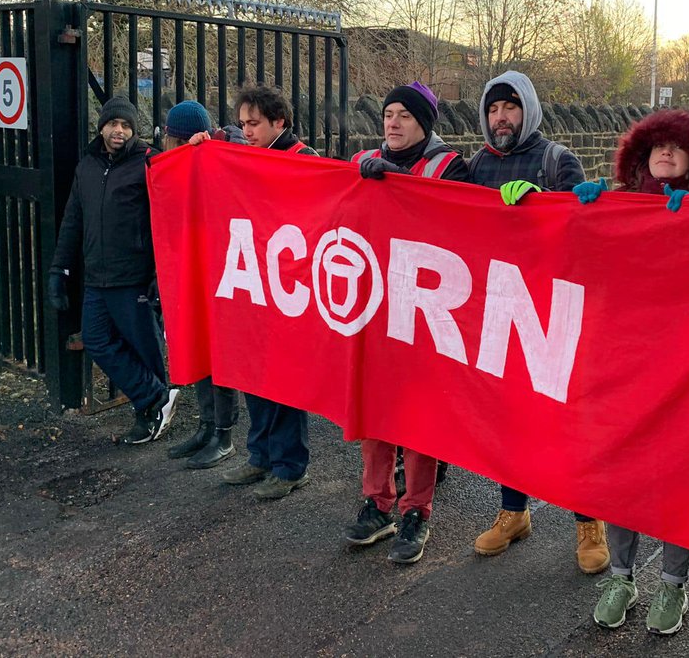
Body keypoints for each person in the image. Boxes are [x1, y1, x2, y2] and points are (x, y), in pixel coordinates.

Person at [573, 109, 689, 634]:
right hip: (625, 362)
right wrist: (565, 211)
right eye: (655, 146)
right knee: (623, 475)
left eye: (675, 145)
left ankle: (673, 585)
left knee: (675, 480)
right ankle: (621, 577)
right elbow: (582, 263)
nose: (664, 153)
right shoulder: (618, 204)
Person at [466, 70, 611, 575]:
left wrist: (545, 204)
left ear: (527, 110)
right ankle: (514, 512)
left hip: (552, 314)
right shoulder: (477, 163)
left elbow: (583, 227)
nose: (500, 118)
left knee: (568, 424)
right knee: (510, 422)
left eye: (509, 108)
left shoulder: (557, 159)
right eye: (492, 109)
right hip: (499, 310)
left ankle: (588, 524)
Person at [344, 81, 468, 565]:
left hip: (426, 310)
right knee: (376, 409)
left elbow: (463, 222)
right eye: (387, 115)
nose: (392, 123)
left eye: (403, 116)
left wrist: (402, 184)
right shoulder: (366, 160)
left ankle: (417, 509)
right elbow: (326, 181)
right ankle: (378, 503)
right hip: (378, 306)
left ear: (424, 123)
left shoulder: (449, 166)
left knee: (419, 415)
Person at [48, 95, 178, 444]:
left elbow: (168, 218)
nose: (118, 131)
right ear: (102, 126)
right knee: (95, 339)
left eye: (125, 125)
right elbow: (73, 220)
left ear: (133, 130)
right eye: (113, 124)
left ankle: (148, 415)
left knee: (144, 347)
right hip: (96, 277)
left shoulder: (148, 163)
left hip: (134, 276)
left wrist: (158, 274)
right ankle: (155, 396)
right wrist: (59, 270)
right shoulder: (87, 166)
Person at [219, 84, 320, 500]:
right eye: (242, 123)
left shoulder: (306, 160)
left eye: (254, 123)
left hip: (288, 287)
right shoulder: (245, 154)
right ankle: (259, 455)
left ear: (279, 122)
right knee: (253, 374)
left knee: (284, 379)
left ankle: (290, 466)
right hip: (252, 282)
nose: (245, 131)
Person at [160, 100, 247, 469]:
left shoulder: (220, 153)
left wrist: (217, 144)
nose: (169, 147)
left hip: (222, 268)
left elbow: (242, 162)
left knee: (218, 352)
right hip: (193, 265)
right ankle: (206, 425)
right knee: (195, 346)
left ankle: (223, 433)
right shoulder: (180, 163)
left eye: (174, 141)